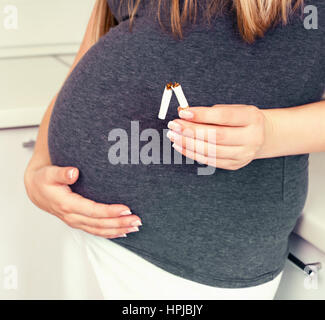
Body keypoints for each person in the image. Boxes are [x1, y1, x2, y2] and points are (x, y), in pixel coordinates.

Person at [24, 0, 325, 299]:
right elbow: (89, 52)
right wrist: (39, 164)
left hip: (195, 258)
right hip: (80, 225)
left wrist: (271, 133)